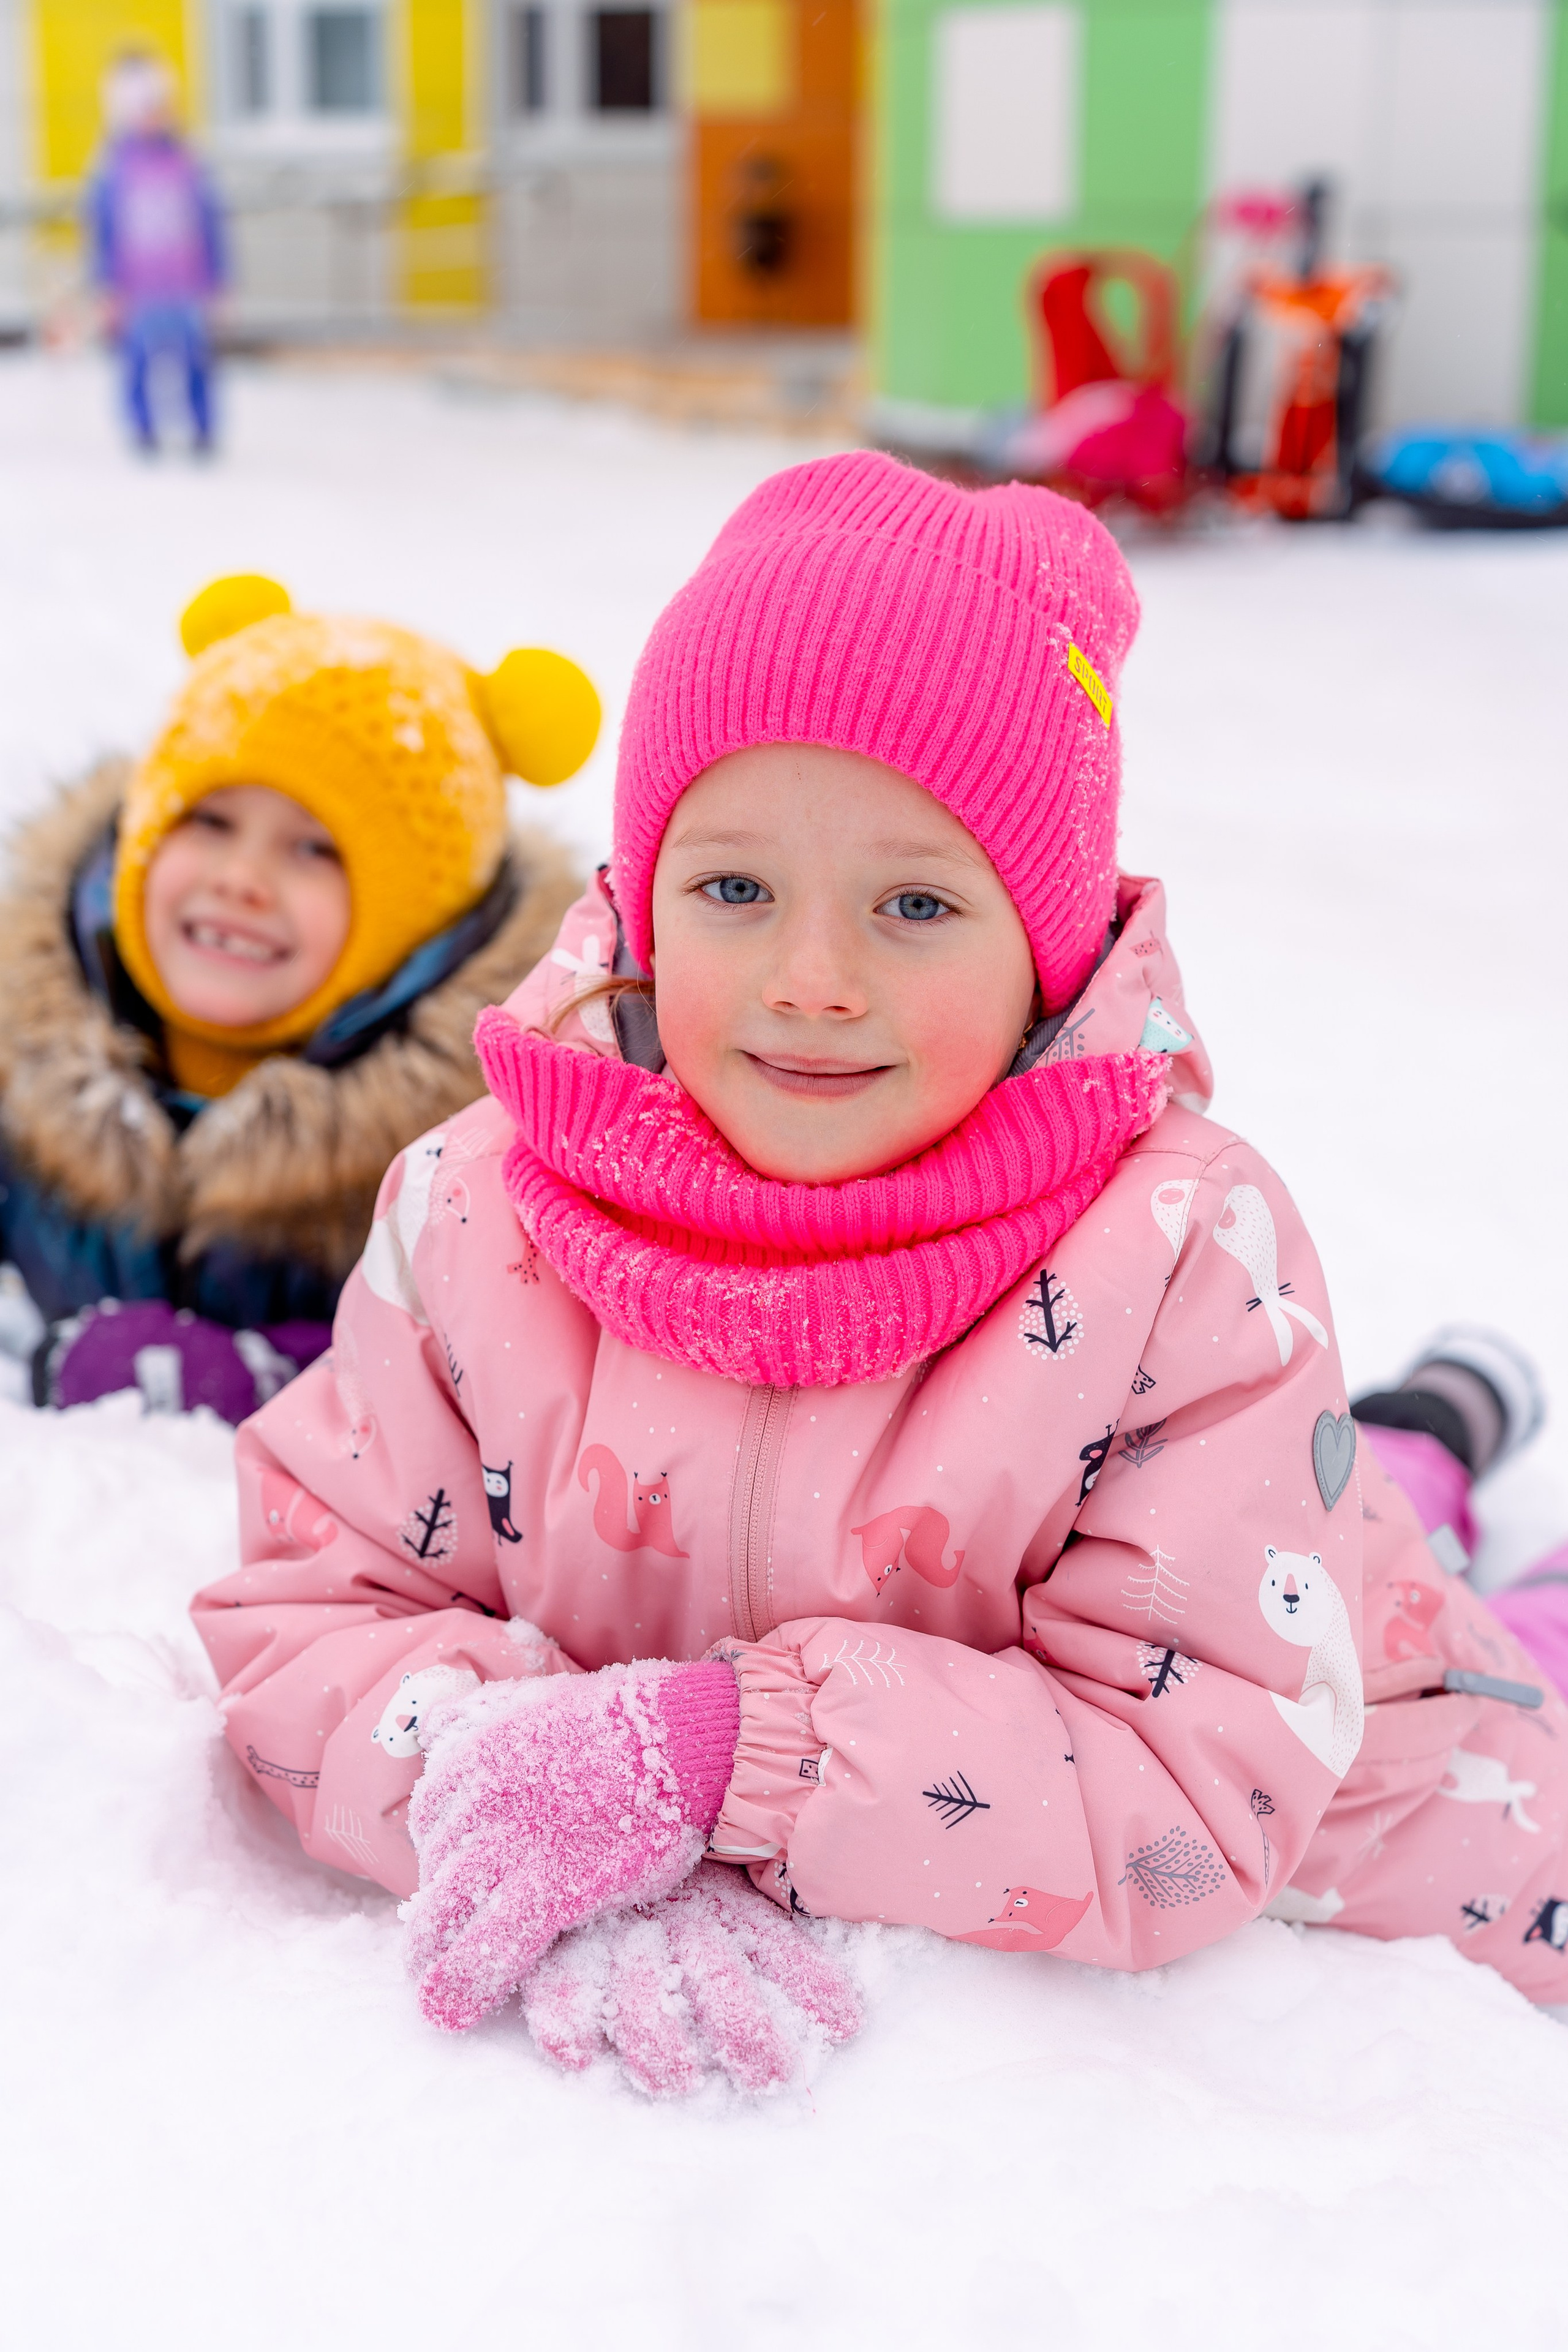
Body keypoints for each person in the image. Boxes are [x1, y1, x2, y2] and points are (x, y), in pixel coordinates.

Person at [191, 453, 1568, 2101]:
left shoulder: (1179, 1256)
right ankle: (1422, 1433)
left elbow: (1194, 1776)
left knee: (1444, 1610)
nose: (814, 979)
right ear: (642, 905)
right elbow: (310, 1607)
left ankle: (1442, 1483)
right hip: (1267, 1514)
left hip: (1383, 1749)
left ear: (1044, 950)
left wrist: (725, 1762)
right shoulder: (481, 1212)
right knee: (1356, 1482)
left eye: (916, 902)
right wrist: (525, 1779)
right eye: (736, 890)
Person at [0, 572, 596, 1422]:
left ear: (419, 924)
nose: (241, 879)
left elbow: (498, 1359)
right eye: (209, 822)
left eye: (314, 850)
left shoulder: (479, 1138)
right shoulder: (25, 1029)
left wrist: (272, 1372)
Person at [87, 50, 225, 454]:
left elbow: (210, 223)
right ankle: (142, 428)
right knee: (138, 362)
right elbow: (104, 234)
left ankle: (203, 428)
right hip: (137, 287)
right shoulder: (114, 169)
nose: (154, 117)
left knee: (196, 360)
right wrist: (107, 286)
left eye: (160, 108)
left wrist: (218, 279)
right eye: (145, 109)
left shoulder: (188, 162)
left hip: (185, 281)